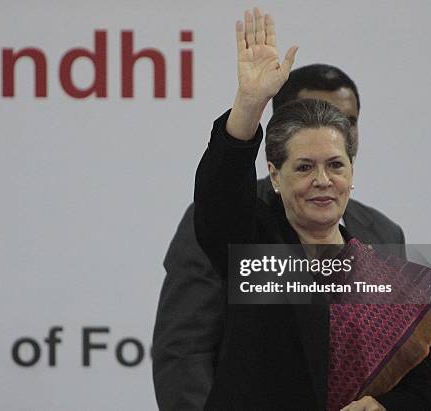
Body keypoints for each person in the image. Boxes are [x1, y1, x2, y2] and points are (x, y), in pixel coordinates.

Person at [191, 7, 431, 410]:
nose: (322, 180)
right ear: (275, 175)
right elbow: (218, 199)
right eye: (304, 167)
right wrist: (249, 104)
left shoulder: (385, 267)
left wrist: (382, 407)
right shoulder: (254, 246)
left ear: (351, 171)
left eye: (335, 165)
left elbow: (425, 392)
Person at [152, 29, 405, 411]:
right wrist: (248, 105)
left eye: (346, 121)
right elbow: (185, 349)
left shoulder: (382, 233)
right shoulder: (239, 222)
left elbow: (404, 364)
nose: (327, 129)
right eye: (304, 164)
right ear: (276, 163)